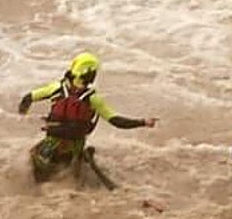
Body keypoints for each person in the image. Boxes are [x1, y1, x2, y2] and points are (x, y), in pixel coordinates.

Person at [17, 52, 157, 183]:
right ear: (90, 75)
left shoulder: (55, 88)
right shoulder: (93, 98)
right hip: (75, 149)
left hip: (50, 146)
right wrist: (144, 122)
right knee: (70, 181)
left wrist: (21, 117)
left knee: (38, 174)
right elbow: (116, 121)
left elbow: (27, 98)